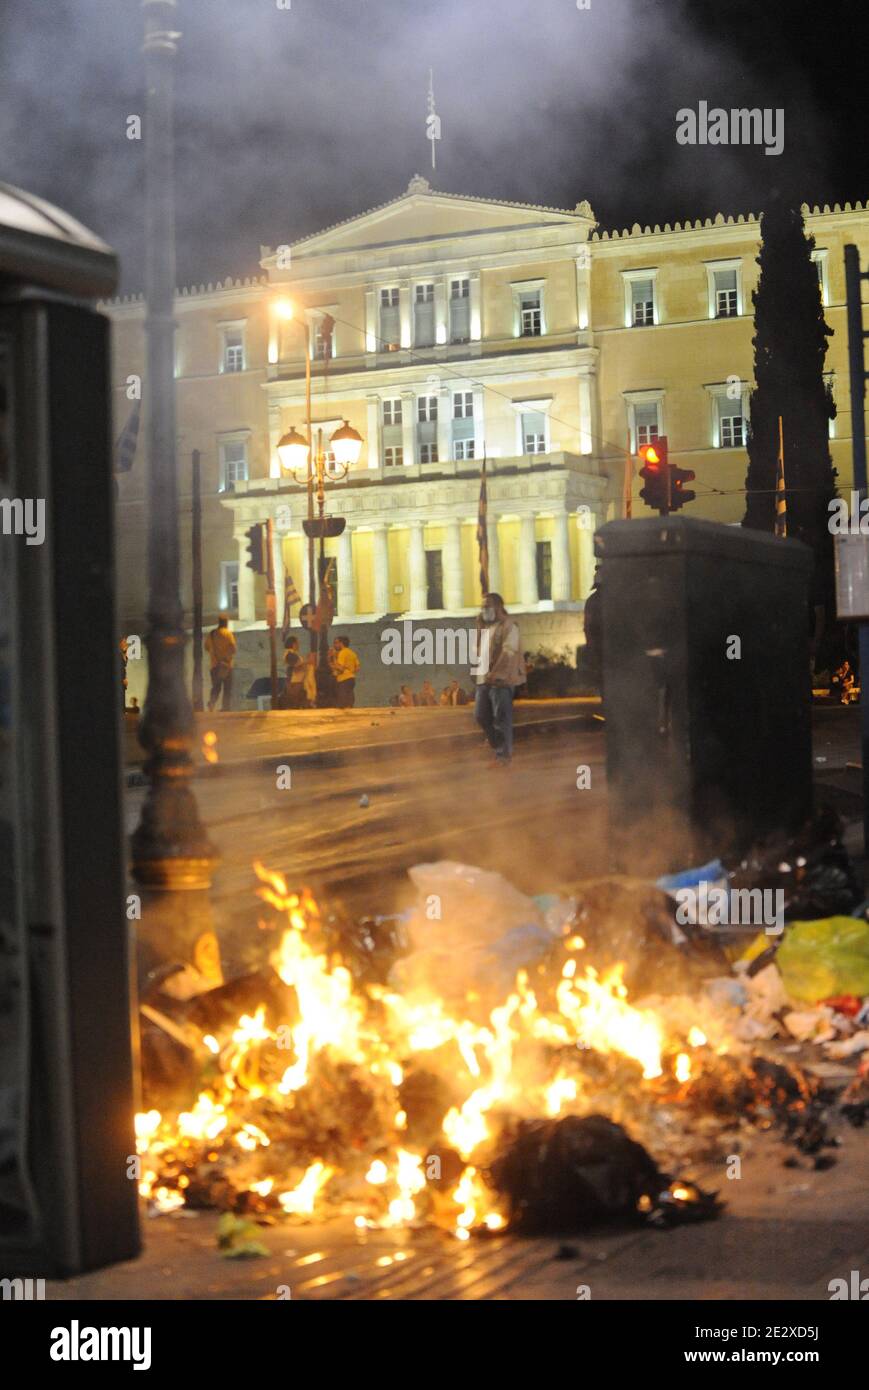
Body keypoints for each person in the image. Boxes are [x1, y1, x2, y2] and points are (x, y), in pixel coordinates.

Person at [474, 592, 525, 765]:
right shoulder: (484, 627)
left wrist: (495, 675)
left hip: (501, 681)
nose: (483, 609)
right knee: (480, 716)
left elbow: (508, 653)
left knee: (501, 719)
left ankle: (503, 757)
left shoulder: (510, 626)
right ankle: (499, 747)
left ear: (498, 607)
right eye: (482, 607)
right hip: (484, 680)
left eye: (487, 606)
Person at [205, 614, 237, 711]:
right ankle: (225, 708)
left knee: (216, 687)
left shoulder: (211, 634)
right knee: (227, 689)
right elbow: (233, 649)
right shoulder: (228, 634)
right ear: (226, 623)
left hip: (214, 666)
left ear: (219, 622)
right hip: (227, 666)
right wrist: (226, 657)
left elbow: (206, 647)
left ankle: (211, 702)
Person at [331, 634, 361, 708]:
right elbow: (357, 668)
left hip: (343, 679)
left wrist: (333, 664)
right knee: (349, 701)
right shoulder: (352, 653)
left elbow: (340, 668)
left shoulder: (342, 653)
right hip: (351, 678)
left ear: (341, 643)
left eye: (336, 643)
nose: (334, 645)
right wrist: (350, 671)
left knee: (342, 703)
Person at [283, 635, 308, 709]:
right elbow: (296, 665)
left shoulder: (293, 653)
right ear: (293, 644)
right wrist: (307, 662)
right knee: (294, 703)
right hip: (294, 681)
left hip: (298, 680)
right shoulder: (290, 654)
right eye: (297, 643)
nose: (298, 645)